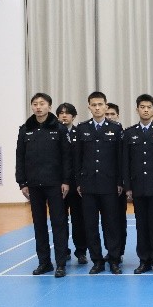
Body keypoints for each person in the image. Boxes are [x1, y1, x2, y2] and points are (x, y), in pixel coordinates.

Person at [15, 93, 71, 278]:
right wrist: (22, 182)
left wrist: (66, 181)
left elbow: (66, 157)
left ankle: (61, 263)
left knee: (59, 224)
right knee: (39, 225)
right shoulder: (25, 129)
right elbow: (20, 157)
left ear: (49, 106)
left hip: (55, 184)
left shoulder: (59, 129)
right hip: (33, 185)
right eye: (35, 104)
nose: (38, 107)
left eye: (42, 104)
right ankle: (44, 262)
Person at [73, 91, 124, 274]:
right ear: (89, 107)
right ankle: (97, 260)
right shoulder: (82, 128)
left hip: (109, 184)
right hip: (88, 185)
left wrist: (120, 181)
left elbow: (120, 158)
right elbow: (77, 158)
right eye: (93, 105)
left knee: (112, 225)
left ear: (105, 106)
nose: (97, 108)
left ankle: (114, 259)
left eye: (100, 104)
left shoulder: (116, 128)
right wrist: (79, 182)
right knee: (91, 225)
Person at [122, 94, 153, 276]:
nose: (146, 110)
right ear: (137, 110)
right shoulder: (129, 133)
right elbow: (126, 162)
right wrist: (128, 186)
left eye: (149, 107)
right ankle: (144, 260)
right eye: (142, 107)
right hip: (138, 186)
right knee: (141, 225)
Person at [56, 102, 88, 265]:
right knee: (60, 221)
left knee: (79, 220)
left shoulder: (80, 133)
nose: (64, 116)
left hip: (76, 186)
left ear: (73, 116)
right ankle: (63, 251)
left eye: (67, 113)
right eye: (61, 113)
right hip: (58, 185)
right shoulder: (53, 134)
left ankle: (81, 251)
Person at [104, 102, 128, 261]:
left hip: (119, 185)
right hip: (104, 184)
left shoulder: (122, 133)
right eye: (107, 114)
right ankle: (111, 250)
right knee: (108, 221)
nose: (109, 117)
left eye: (112, 114)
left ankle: (119, 250)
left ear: (118, 116)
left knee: (119, 220)